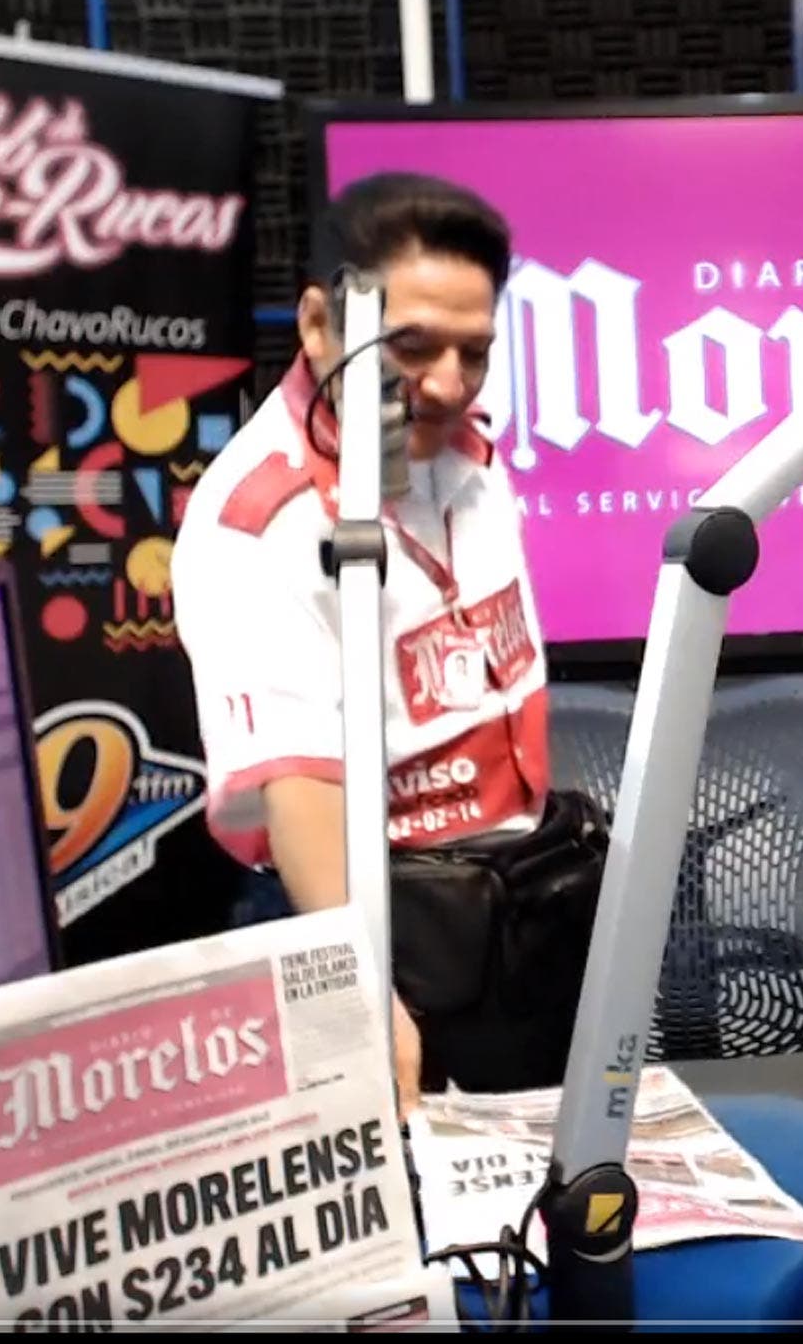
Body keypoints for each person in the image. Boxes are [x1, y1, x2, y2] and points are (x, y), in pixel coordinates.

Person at [173, 172, 561, 1112]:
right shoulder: (263, 523)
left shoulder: (463, 453)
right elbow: (299, 783)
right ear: (320, 326)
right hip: (370, 926)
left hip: (504, 905)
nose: (449, 383)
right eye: (414, 347)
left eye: (476, 352)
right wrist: (367, 995)